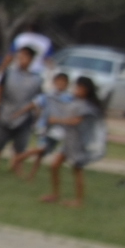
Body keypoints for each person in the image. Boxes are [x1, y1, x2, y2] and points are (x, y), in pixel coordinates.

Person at [40, 74, 105, 206]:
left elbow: (76, 121)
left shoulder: (87, 106)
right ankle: (55, 194)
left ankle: (79, 200)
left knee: (77, 170)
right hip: (69, 141)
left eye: (80, 88)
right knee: (54, 166)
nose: (77, 90)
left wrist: (57, 120)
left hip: (79, 143)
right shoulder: (74, 102)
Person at [0, 45, 44, 175]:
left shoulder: (36, 79)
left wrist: (37, 116)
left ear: (31, 59)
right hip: (6, 111)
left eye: (25, 56)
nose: (21, 59)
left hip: (24, 116)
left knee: (21, 144)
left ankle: (18, 167)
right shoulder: (9, 73)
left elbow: (38, 99)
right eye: (20, 56)